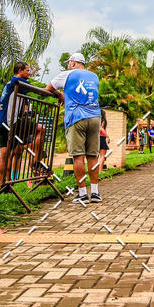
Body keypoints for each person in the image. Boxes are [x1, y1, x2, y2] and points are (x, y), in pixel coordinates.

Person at [45, 53, 101, 204]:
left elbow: (48, 88)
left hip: (76, 117)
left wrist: (60, 95)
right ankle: (95, 193)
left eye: (69, 63)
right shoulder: (94, 76)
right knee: (93, 155)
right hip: (95, 117)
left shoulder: (67, 74)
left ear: (73, 63)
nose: (68, 65)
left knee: (78, 156)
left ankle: (83, 194)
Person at [0, 61, 32, 186]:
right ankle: (4, 182)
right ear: (20, 70)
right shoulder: (17, 82)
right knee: (5, 153)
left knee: (5, 153)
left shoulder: (10, 84)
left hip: (4, 120)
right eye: (27, 70)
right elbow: (36, 90)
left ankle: (5, 182)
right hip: (8, 121)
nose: (29, 73)